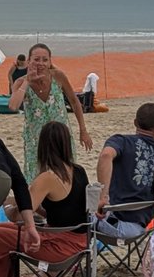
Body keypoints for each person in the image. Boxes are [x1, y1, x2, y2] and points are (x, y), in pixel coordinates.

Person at [0, 121, 90, 277]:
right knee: (4, 231)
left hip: (60, 245)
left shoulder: (47, 178)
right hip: (80, 240)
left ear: (42, 146)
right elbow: (66, 212)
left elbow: (18, 216)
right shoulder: (79, 170)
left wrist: (6, 205)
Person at [8, 43, 93, 180]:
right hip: (36, 139)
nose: (40, 63)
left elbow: (74, 101)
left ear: (50, 62)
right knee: (37, 177)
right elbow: (13, 106)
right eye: (36, 59)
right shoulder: (20, 82)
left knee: (65, 175)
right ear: (29, 61)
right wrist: (27, 81)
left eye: (45, 59)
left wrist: (83, 130)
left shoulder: (58, 76)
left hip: (61, 137)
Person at [96, 103, 154, 239]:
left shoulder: (121, 141)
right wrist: (148, 188)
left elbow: (105, 156)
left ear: (135, 122)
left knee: (75, 214)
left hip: (109, 222)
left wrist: (103, 197)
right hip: (136, 229)